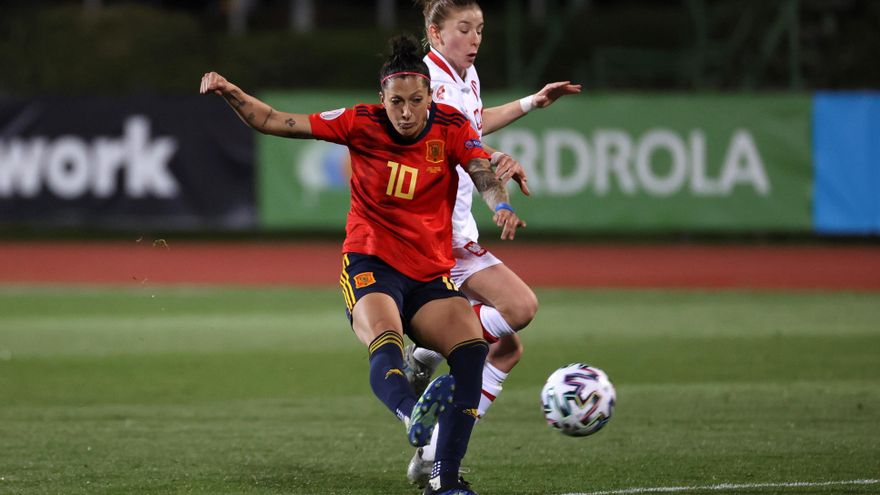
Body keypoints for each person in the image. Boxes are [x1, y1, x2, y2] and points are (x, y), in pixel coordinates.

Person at [200, 34, 525, 495]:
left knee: (472, 353)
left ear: (431, 96)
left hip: (430, 273)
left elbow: (480, 169)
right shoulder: (359, 122)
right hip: (370, 263)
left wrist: (499, 206)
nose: (407, 112)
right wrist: (232, 93)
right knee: (386, 341)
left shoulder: (451, 126)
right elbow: (273, 120)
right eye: (397, 102)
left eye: (416, 100)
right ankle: (413, 414)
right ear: (382, 99)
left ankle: (444, 481)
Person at [405, 0, 583, 486]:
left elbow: (473, 127)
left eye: (480, 29)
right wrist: (496, 182)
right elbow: (448, 150)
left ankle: (433, 451)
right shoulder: (426, 87)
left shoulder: (464, 75)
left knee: (507, 351)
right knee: (520, 308)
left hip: (455, 232)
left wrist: (531, 103)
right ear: (436, 34)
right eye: (464, 29)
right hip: (433, 238)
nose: (475, 38)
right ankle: (428, 351)